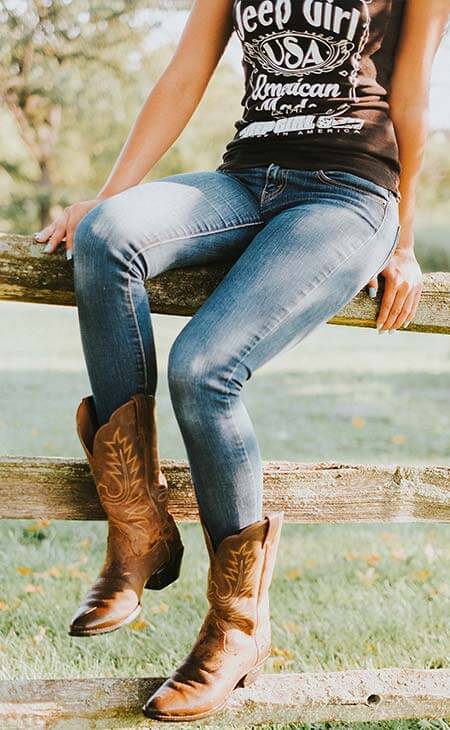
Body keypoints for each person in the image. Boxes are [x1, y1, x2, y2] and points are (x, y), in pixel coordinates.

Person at [34, 0, 449, 722]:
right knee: (108, 234)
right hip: (245, 177)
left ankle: (238, 626)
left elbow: (411, 94)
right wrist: (105, 195)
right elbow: (184, 72)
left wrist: (405, 239)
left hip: (348, 195)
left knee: (204, 369)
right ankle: (138, 531)